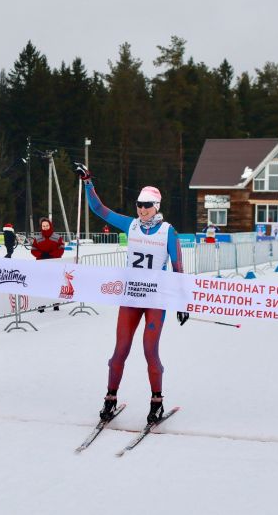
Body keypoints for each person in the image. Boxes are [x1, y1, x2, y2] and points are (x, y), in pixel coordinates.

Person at [74, 162, 188, 425]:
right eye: (139, 204)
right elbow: (99, 210)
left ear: (157, 207)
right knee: (119, 352)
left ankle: (157, 401)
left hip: (155, 299)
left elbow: (178, 268)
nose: (142, 209)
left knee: (150, 352)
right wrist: (88, 181)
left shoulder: (168, 232)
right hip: (131, 297)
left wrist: (182, 302)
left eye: (147, 205)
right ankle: (110, 398)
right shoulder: (131, 225)